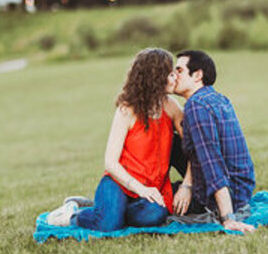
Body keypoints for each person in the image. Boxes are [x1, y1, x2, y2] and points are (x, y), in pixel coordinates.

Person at [46, 48, 183, 231]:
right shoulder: (127, 110)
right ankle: (72, 214)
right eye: (170, 73)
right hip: (119, 183)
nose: (174, 77)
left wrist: (187, 186)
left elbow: (192, 145)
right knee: (108, 224)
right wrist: (140, 188)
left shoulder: (172, 108)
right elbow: (110, 162)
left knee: (155, 215)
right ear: (156, 77)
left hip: (151, 189)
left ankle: (104, 210)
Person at [169, 49, 256, 234]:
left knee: (148, 205)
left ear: (197, 75)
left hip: (222, 197)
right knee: (171, 142)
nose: (173, 76)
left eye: (179, 71)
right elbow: (199, 153)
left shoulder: (196, 107)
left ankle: (100, 206)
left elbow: (212, 163)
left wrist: (227, 218)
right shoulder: (217, 98)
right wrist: (186, 185)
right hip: (241, 190)